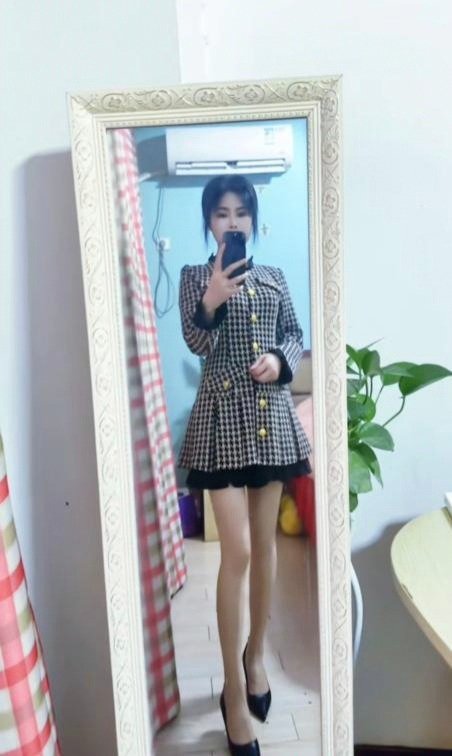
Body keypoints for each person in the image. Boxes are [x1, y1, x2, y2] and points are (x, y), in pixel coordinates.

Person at [178, 175, 311, 756]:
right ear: (209, 222)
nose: (232, 222)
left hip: (270, 420)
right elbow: (196, 343)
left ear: (253, 220)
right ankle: (234, 690)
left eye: (241, 212)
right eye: (221, 213)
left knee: (266, 546)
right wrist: (211, 298)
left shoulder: (275, 277)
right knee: (237, 552)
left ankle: (256, 655)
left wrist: (279, 360)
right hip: (220, 423)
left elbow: (294, 333)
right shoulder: (194, 277)